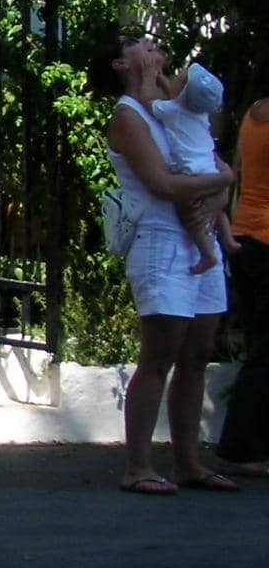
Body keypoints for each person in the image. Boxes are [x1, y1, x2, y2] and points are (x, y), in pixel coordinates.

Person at [94, 29, 240, 494]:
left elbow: (208, 159)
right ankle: (138, 467)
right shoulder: (128, 115)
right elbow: (162, 184)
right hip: (161, 242)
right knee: (159, 356)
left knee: (197, 353)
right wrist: (223, 182)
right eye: (137, 44)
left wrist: (218, 191)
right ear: (120, 64)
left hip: (200, 237)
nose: (150, 47)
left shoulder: (175, 105)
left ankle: (188, 463)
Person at [215, 76, 269, 476]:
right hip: (266, 239)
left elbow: (239, 171)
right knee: (265, 351)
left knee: (259, 345)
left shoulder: (254, 114)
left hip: (247, 236)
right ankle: (241, 447)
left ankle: (248, 445)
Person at [156, 63, 240, 275]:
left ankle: (206, 254)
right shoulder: (200, 113)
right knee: (216, 210)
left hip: (192, 172)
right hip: (211, 167)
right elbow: (176, 97)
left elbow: (150, 104)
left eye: (179, 78)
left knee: (190, 214)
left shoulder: (171, 110)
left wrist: (150, 83)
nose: (175, 78)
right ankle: (228, 238)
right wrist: (165, 85)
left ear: (184, 91)